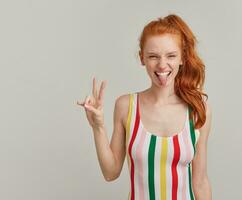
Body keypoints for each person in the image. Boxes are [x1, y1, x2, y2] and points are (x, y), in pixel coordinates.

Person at [77, 14, 212, 200]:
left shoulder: (198, 109)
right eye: (153, 56)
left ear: (182, 58)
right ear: (142, 58)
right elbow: (111, 173)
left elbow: (200, 182)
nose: (162, 65)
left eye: (171, 56)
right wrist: (98, 127)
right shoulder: (126, 106)